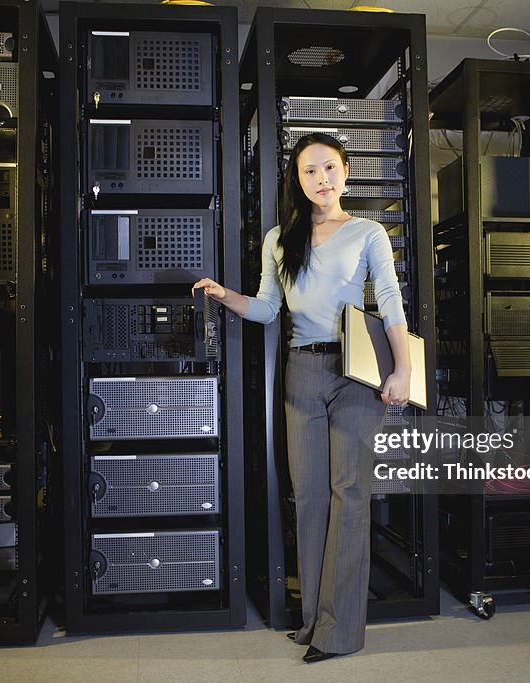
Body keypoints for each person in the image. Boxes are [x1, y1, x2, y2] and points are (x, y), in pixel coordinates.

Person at [193, 132, 412, 663]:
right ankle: (314, 619)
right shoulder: (279, 239)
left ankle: (337, 632)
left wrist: (403, 369)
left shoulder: (367, 232)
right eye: (309, 171)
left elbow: (390, 300)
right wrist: (227, 297)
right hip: (302, 371)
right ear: (298, 179)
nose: (321, 179)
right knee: (310, 498)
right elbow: (270, 309)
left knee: (350, 494)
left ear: (346, 173)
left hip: (358, 371)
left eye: (330, 168)